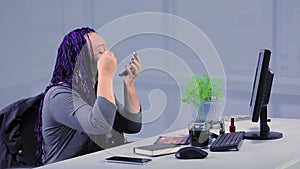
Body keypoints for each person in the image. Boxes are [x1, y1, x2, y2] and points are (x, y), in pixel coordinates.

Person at [35, 27, 142, 165]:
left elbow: (131, 126)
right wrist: (106, 76)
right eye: (100, 52)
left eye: (106, 50)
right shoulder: (58, 96)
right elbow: (99, 126)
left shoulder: (97, 89)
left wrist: (129, 85)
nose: (108, 55)